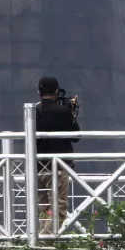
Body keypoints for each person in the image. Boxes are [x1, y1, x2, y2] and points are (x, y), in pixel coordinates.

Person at [35, 76, 81, 236]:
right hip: (58, 167)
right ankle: (44, 246)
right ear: (56, 91)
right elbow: (75, 136)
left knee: (44, 210)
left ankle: (41, 242)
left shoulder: (34, 112)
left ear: (39, 92)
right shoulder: (62, 112)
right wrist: (70, 113)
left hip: (39, 167)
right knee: (58, 210)